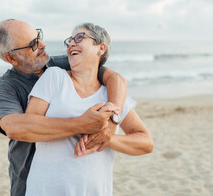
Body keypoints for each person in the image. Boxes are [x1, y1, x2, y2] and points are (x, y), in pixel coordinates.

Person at [0, 19, 128, 196]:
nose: (42, 44)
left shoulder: (64, 64)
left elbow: (116, 79)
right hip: (28, 178)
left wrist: (111, 125)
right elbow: (15, 128)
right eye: (33, 44)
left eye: (38, 37)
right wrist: (82, 124)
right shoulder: (4, 88)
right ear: (11, 58)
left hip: (71, 177)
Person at [24, 23, 153, 195]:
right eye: (69, 41)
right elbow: (28, 126)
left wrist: (106, 138)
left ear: (101, 47)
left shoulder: (112, 95)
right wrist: (82, 125)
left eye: (79, 38)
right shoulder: (55, 77)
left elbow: (146, 143)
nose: (71, 44)